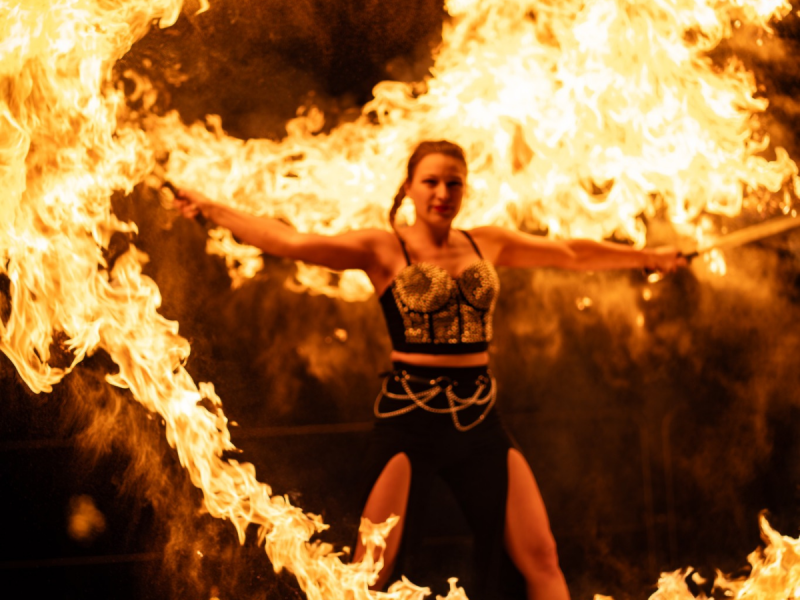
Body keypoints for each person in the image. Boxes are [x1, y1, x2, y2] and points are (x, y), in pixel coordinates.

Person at [173, 140, 686, 600]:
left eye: (454, 183)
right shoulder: (382, 248)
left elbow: (570, 253)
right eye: (431, 182)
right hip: (410, 421)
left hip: (479, 420)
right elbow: (291, 242)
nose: (443, 193)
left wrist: (648, 256)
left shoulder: (486, 243)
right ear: (411, 188)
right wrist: (212, 209)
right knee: (370, 573)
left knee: (542, 557)